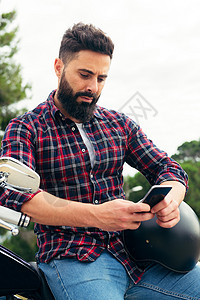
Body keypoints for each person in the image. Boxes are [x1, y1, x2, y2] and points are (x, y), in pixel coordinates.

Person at [0, 23, 200, 300]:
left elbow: (169, 169)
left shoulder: (119, 124)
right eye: (84, 74)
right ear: (59, 67)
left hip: (140, 258)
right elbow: (15, 196)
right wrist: (98, 216)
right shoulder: (25, 128)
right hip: (73, 258)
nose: (92, 87)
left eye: (101, 78)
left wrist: (172, 198)